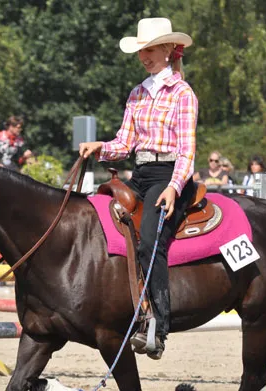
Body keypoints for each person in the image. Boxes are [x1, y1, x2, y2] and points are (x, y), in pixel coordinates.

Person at [79, 17, 196, 360]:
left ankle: (159, 322)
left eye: (149, 50)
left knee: (149, 239)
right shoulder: (137, 93)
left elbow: (187, 150)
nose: (144, 56)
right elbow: (125, 142)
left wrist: (175, 187)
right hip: (141, 172)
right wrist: (101, 147)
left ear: (166, 50)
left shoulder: (183, 93)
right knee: (104, 223)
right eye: (141, 51)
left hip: (168, 172)